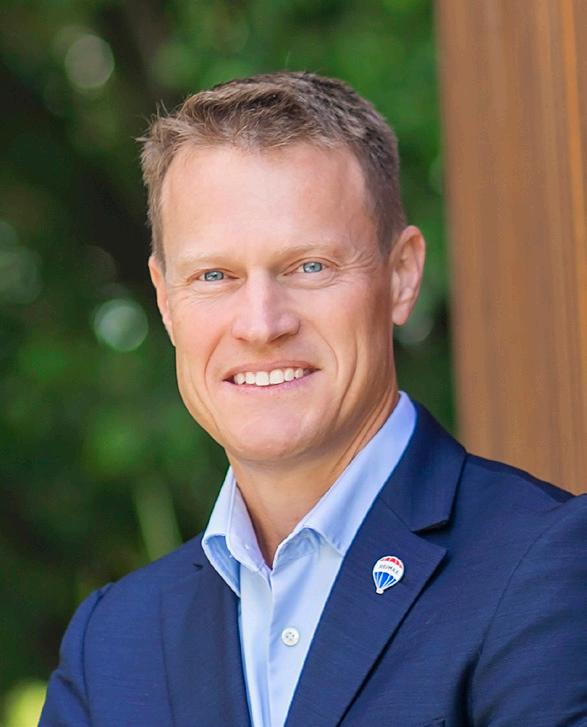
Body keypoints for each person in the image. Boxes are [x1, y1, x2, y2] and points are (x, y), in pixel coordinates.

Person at [40, 72, 587, 727]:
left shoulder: (546, 564)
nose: (261, 324)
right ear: (164, 298)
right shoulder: (110, 643)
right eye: (214, 275)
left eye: (309, 267)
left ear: (401, 275)